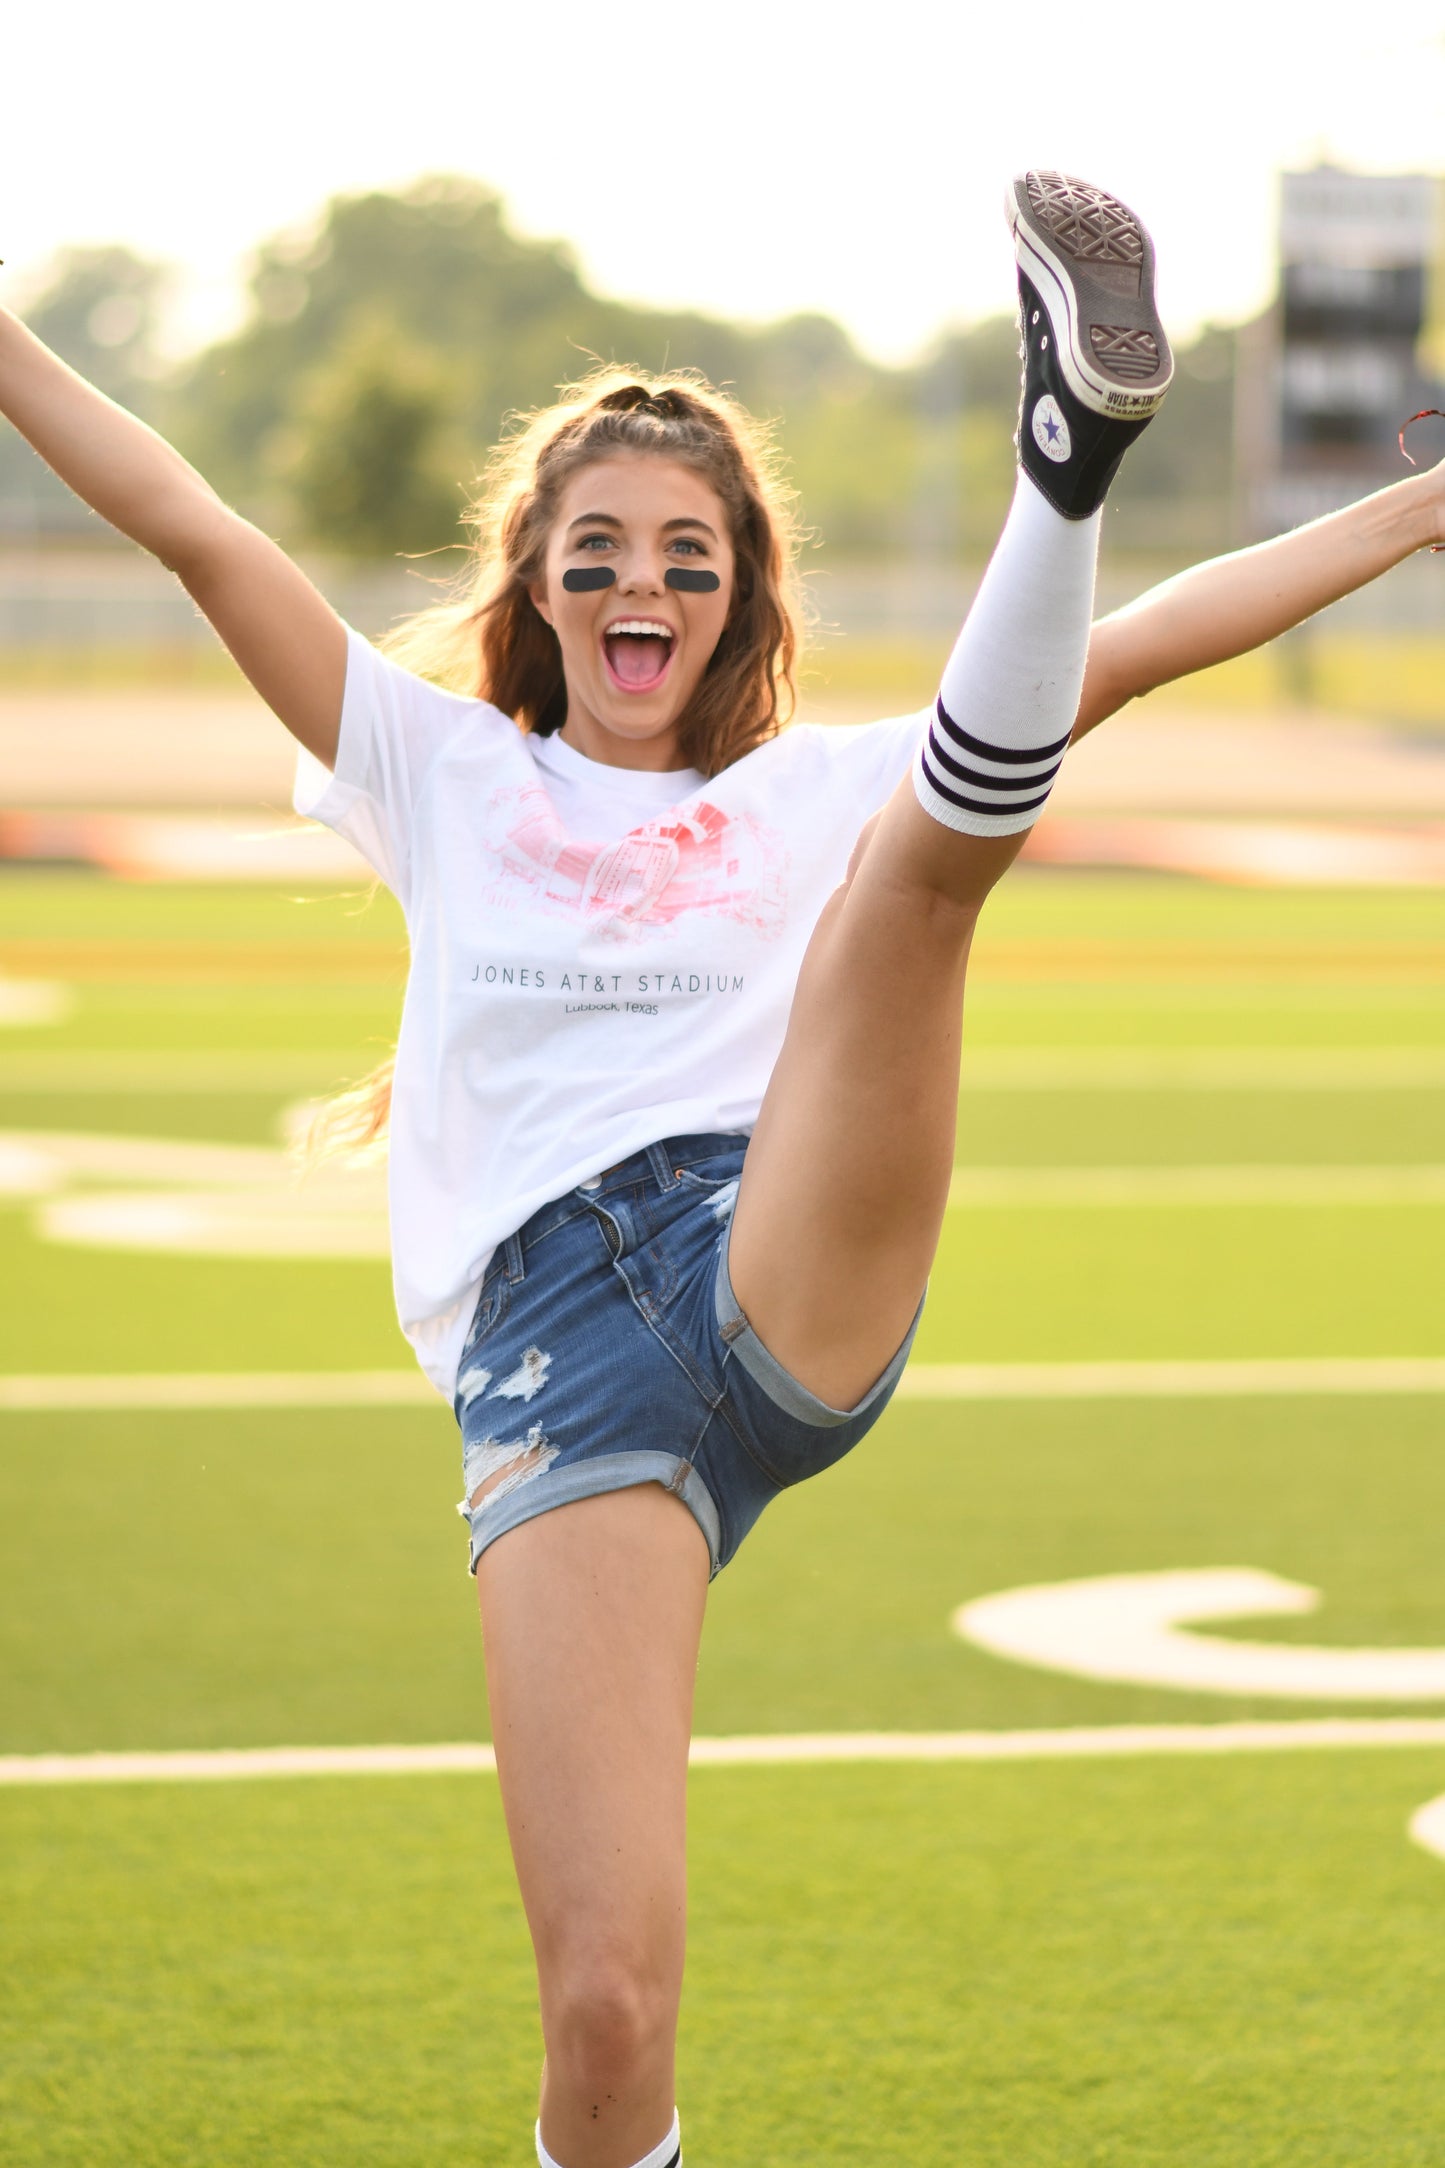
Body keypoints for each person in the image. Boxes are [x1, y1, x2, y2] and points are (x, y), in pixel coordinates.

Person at [3, 170, 1443, 2168]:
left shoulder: (811, 788)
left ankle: (1066, 452)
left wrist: (1420, 507)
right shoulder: (432, 764)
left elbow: (1145, 648)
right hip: (559, 1366)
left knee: (916, 883)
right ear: (538, 591)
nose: (636, 580)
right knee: (606, 2001)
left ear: (739, 594)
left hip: (770, 1250)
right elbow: (191, 522)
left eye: (684, 549)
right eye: (594, 549)